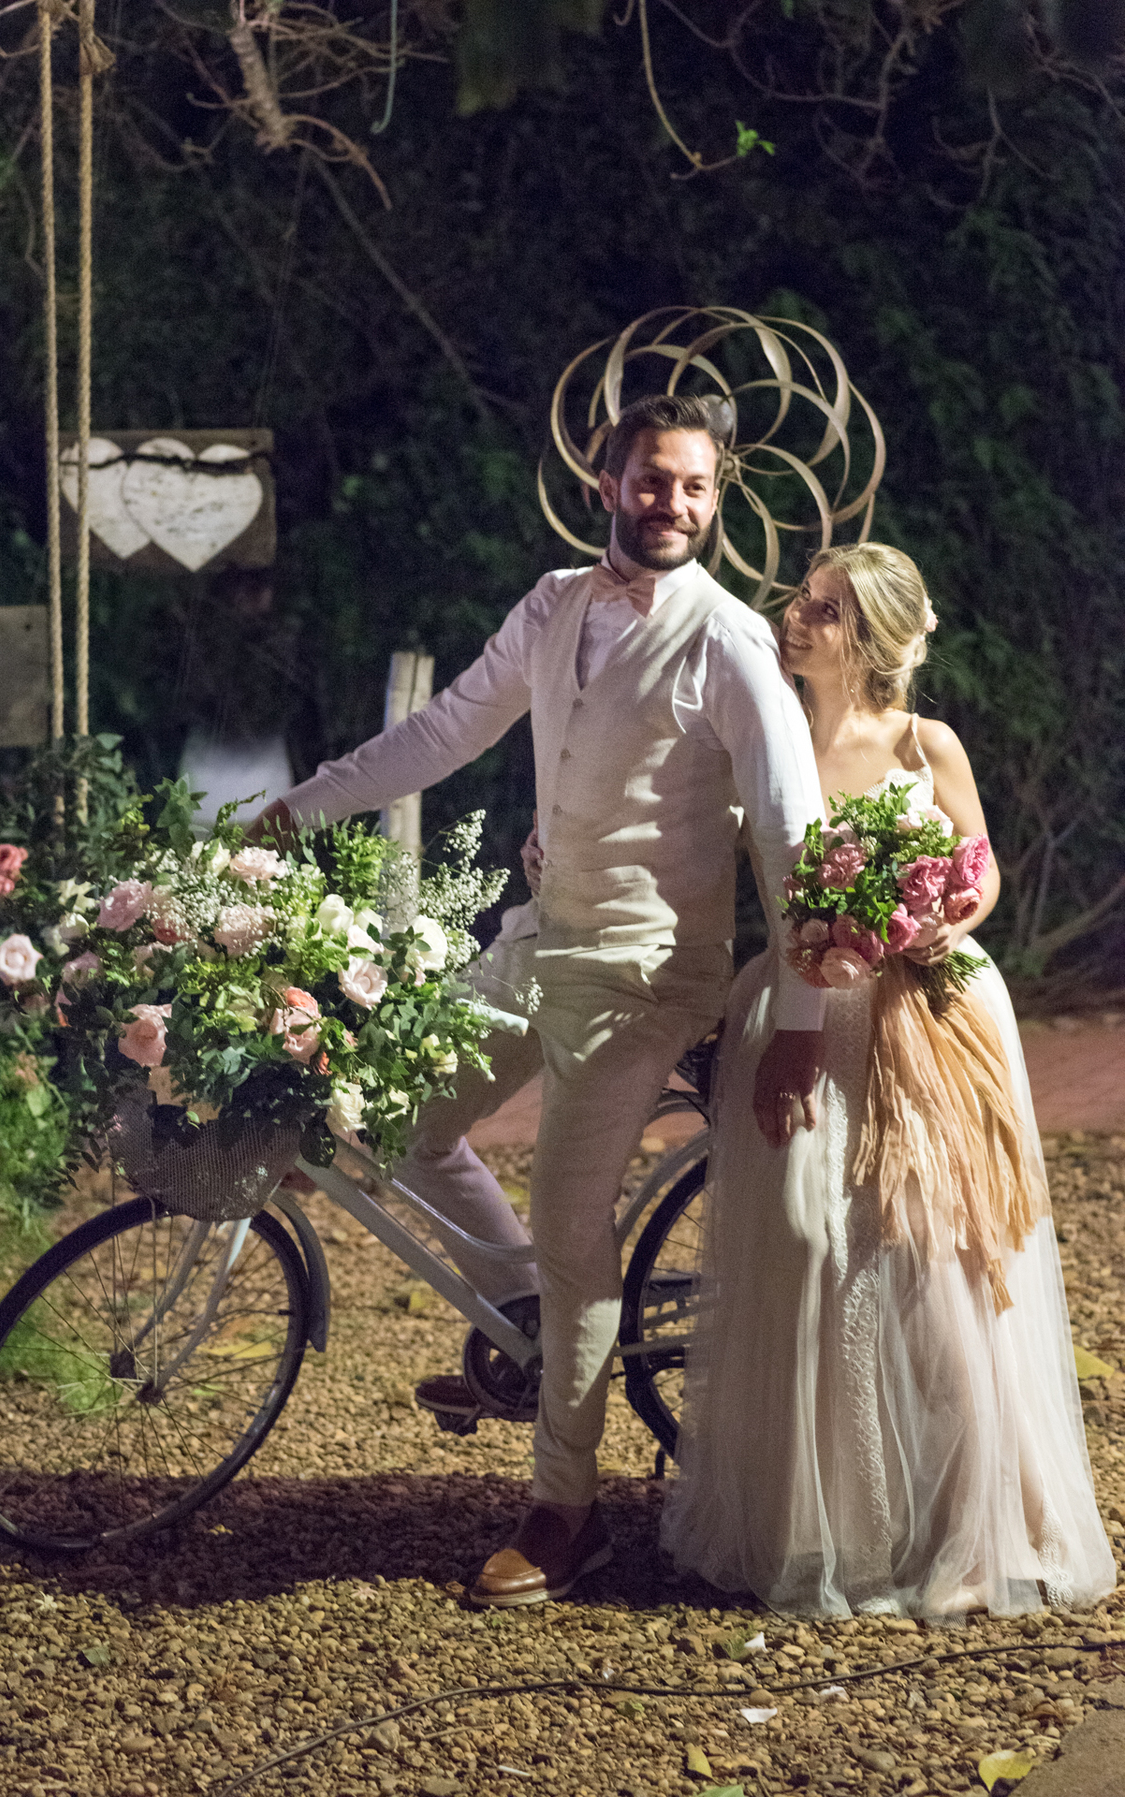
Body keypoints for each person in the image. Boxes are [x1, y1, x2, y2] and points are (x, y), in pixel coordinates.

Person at [249, 393, 827, 1606]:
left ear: (716, 502)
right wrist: (301, 805)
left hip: (645, 977)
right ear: (605, 485)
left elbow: (789, 834)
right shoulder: (556, 601)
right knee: (392, 1121)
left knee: (578, 1237)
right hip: (536, 944)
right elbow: (450, 728)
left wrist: (802, 1026)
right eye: (652, 480)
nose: (672, 503)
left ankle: (568, 1509)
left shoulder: (727, 641)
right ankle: (524, 1314)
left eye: (695, 487)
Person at [662, 543, 1115, 1617]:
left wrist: (938, 917)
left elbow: (982, 864)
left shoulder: (924, 742)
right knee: (808, 1246)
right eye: (802, 599)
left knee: (938, 1263)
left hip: (930, 1012)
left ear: (867, 639)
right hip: (801, 1012)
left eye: (822, 609)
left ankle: (971, 1522)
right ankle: (829, 1524)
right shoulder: (758, 735)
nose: (794, 615)